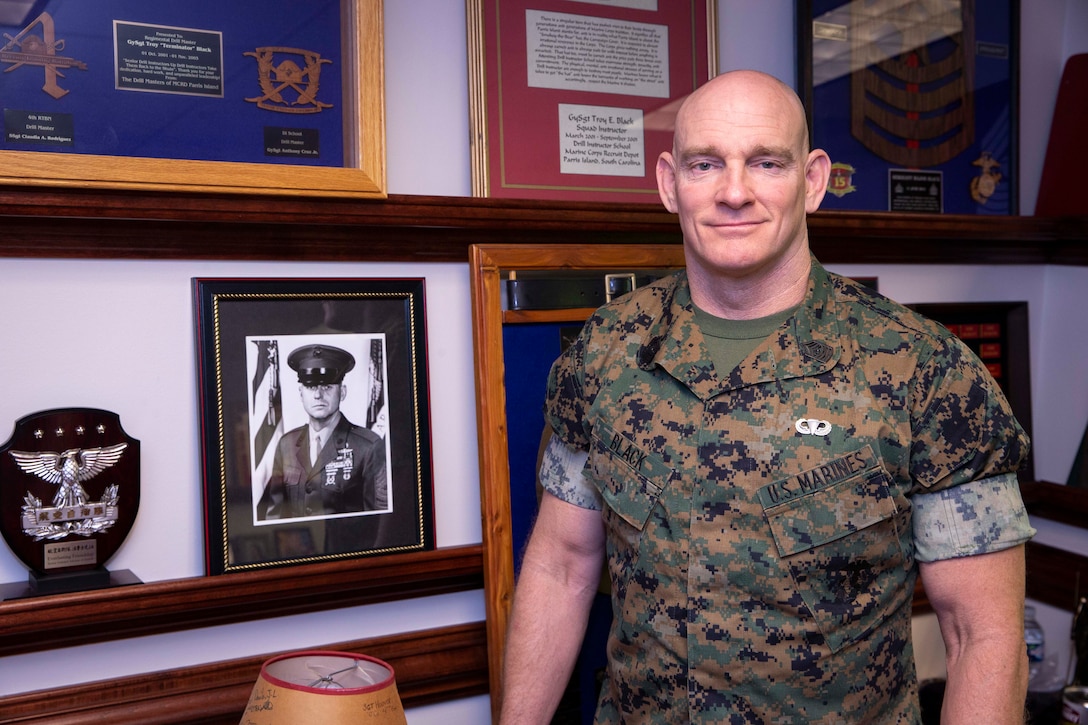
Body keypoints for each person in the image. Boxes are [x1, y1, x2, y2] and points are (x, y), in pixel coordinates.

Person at [499, 70, 1035, 724]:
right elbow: (560, 568)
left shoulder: (923, 369)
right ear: (669, 183)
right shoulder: (605, 353)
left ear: (812, 181)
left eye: (765, 162)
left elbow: (984, 635)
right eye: (705, 164)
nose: (733, 192)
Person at [259, 344, 388, 542]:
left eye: (327, 386)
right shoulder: (287, 445)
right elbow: (275, 517)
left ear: (342, 392)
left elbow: (380, 523)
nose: (318, 395)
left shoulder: (368, 446)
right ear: (301, 393)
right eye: (311, 387)